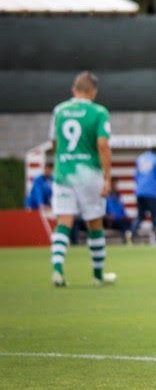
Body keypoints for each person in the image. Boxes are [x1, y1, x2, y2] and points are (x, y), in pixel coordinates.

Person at [46, 71, 117, 287]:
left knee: (63, 222)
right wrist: (107, 177)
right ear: (93, 91)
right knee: (95, 223)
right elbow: (103, 145)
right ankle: (97, 275)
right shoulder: (99, 112)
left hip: (64, 172)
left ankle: (57, 270)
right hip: (89, 174)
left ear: (73, 89)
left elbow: (54, 142)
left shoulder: (60, 110)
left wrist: (64, 159)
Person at [132, 145, 156, 243]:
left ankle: (132, 234)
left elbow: (135, 177)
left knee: (140, 216)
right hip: (151, 193)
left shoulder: (140, 159)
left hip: (139, 192)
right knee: (155, 216)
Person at [104, 179, 134, 243]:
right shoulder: (106, 196)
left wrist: (126, 216)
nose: (115, 186)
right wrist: (107, 216)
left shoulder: (119, 197)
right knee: (124, 224)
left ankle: (129, 239)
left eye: (116, 185)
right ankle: (126, 240)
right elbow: (103, 211)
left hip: (119, 219)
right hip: (110, 221)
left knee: (129, 223)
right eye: (114, 185)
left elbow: (122, 210)